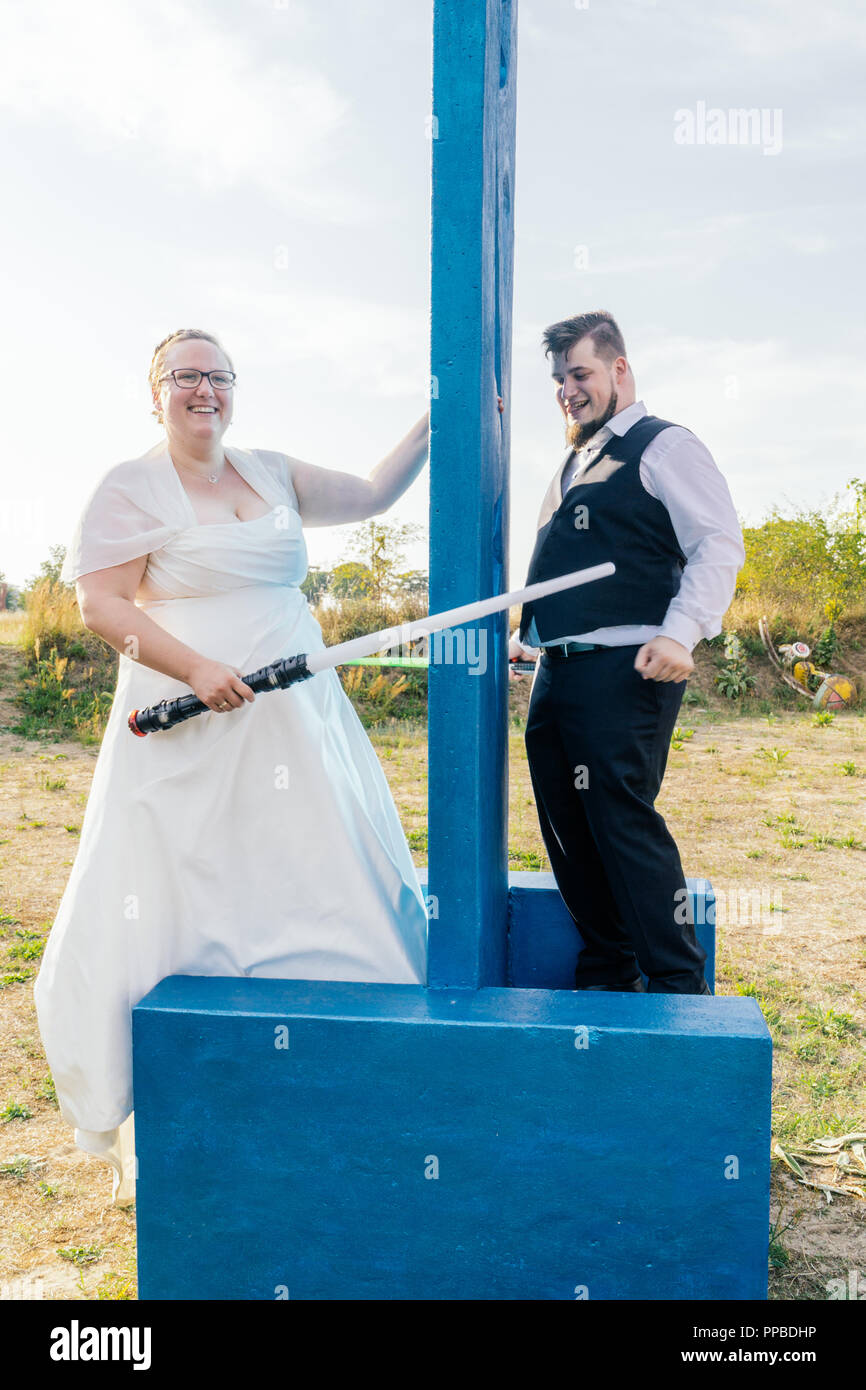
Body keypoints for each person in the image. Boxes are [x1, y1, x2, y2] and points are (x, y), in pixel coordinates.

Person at [34, 328, 430, 1204]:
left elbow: (370, 493)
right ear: (155, 391)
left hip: (294, 718)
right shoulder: (127, 487)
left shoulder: (273, 470)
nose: (203, 390)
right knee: (186, 886)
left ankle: (344, 1091)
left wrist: (439, 419)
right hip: (185, 728)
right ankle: (190, 1114)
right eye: (186, 377)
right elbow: (100, 602)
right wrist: (196, 671)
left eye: (219, 376)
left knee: (311, 869)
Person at [512, 310, 745, 994]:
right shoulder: (573, 458)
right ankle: (607, 968)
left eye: (579, 373)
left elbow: (718, 543)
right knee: (565, 821)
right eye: (558, 378)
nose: (567, 389)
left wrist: (681, 631)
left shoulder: (664, 445)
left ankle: (677, 981)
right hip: (558, 671)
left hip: (628, 667)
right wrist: (531, 639)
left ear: (619, 369)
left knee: (620, 818)